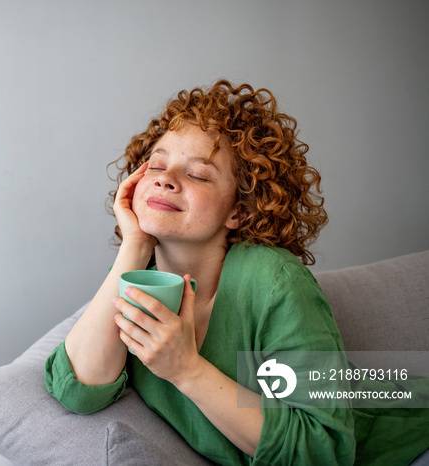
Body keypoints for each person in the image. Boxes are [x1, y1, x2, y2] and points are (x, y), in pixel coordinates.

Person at [44, 80, 429, 465]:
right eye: (157, 165)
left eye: (197, 174)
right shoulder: (137, 270)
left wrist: (186, 369)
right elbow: (79, 390)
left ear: (239, 211)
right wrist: (135, 244)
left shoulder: (274, 281)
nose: (165, 178)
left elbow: (321, 449)